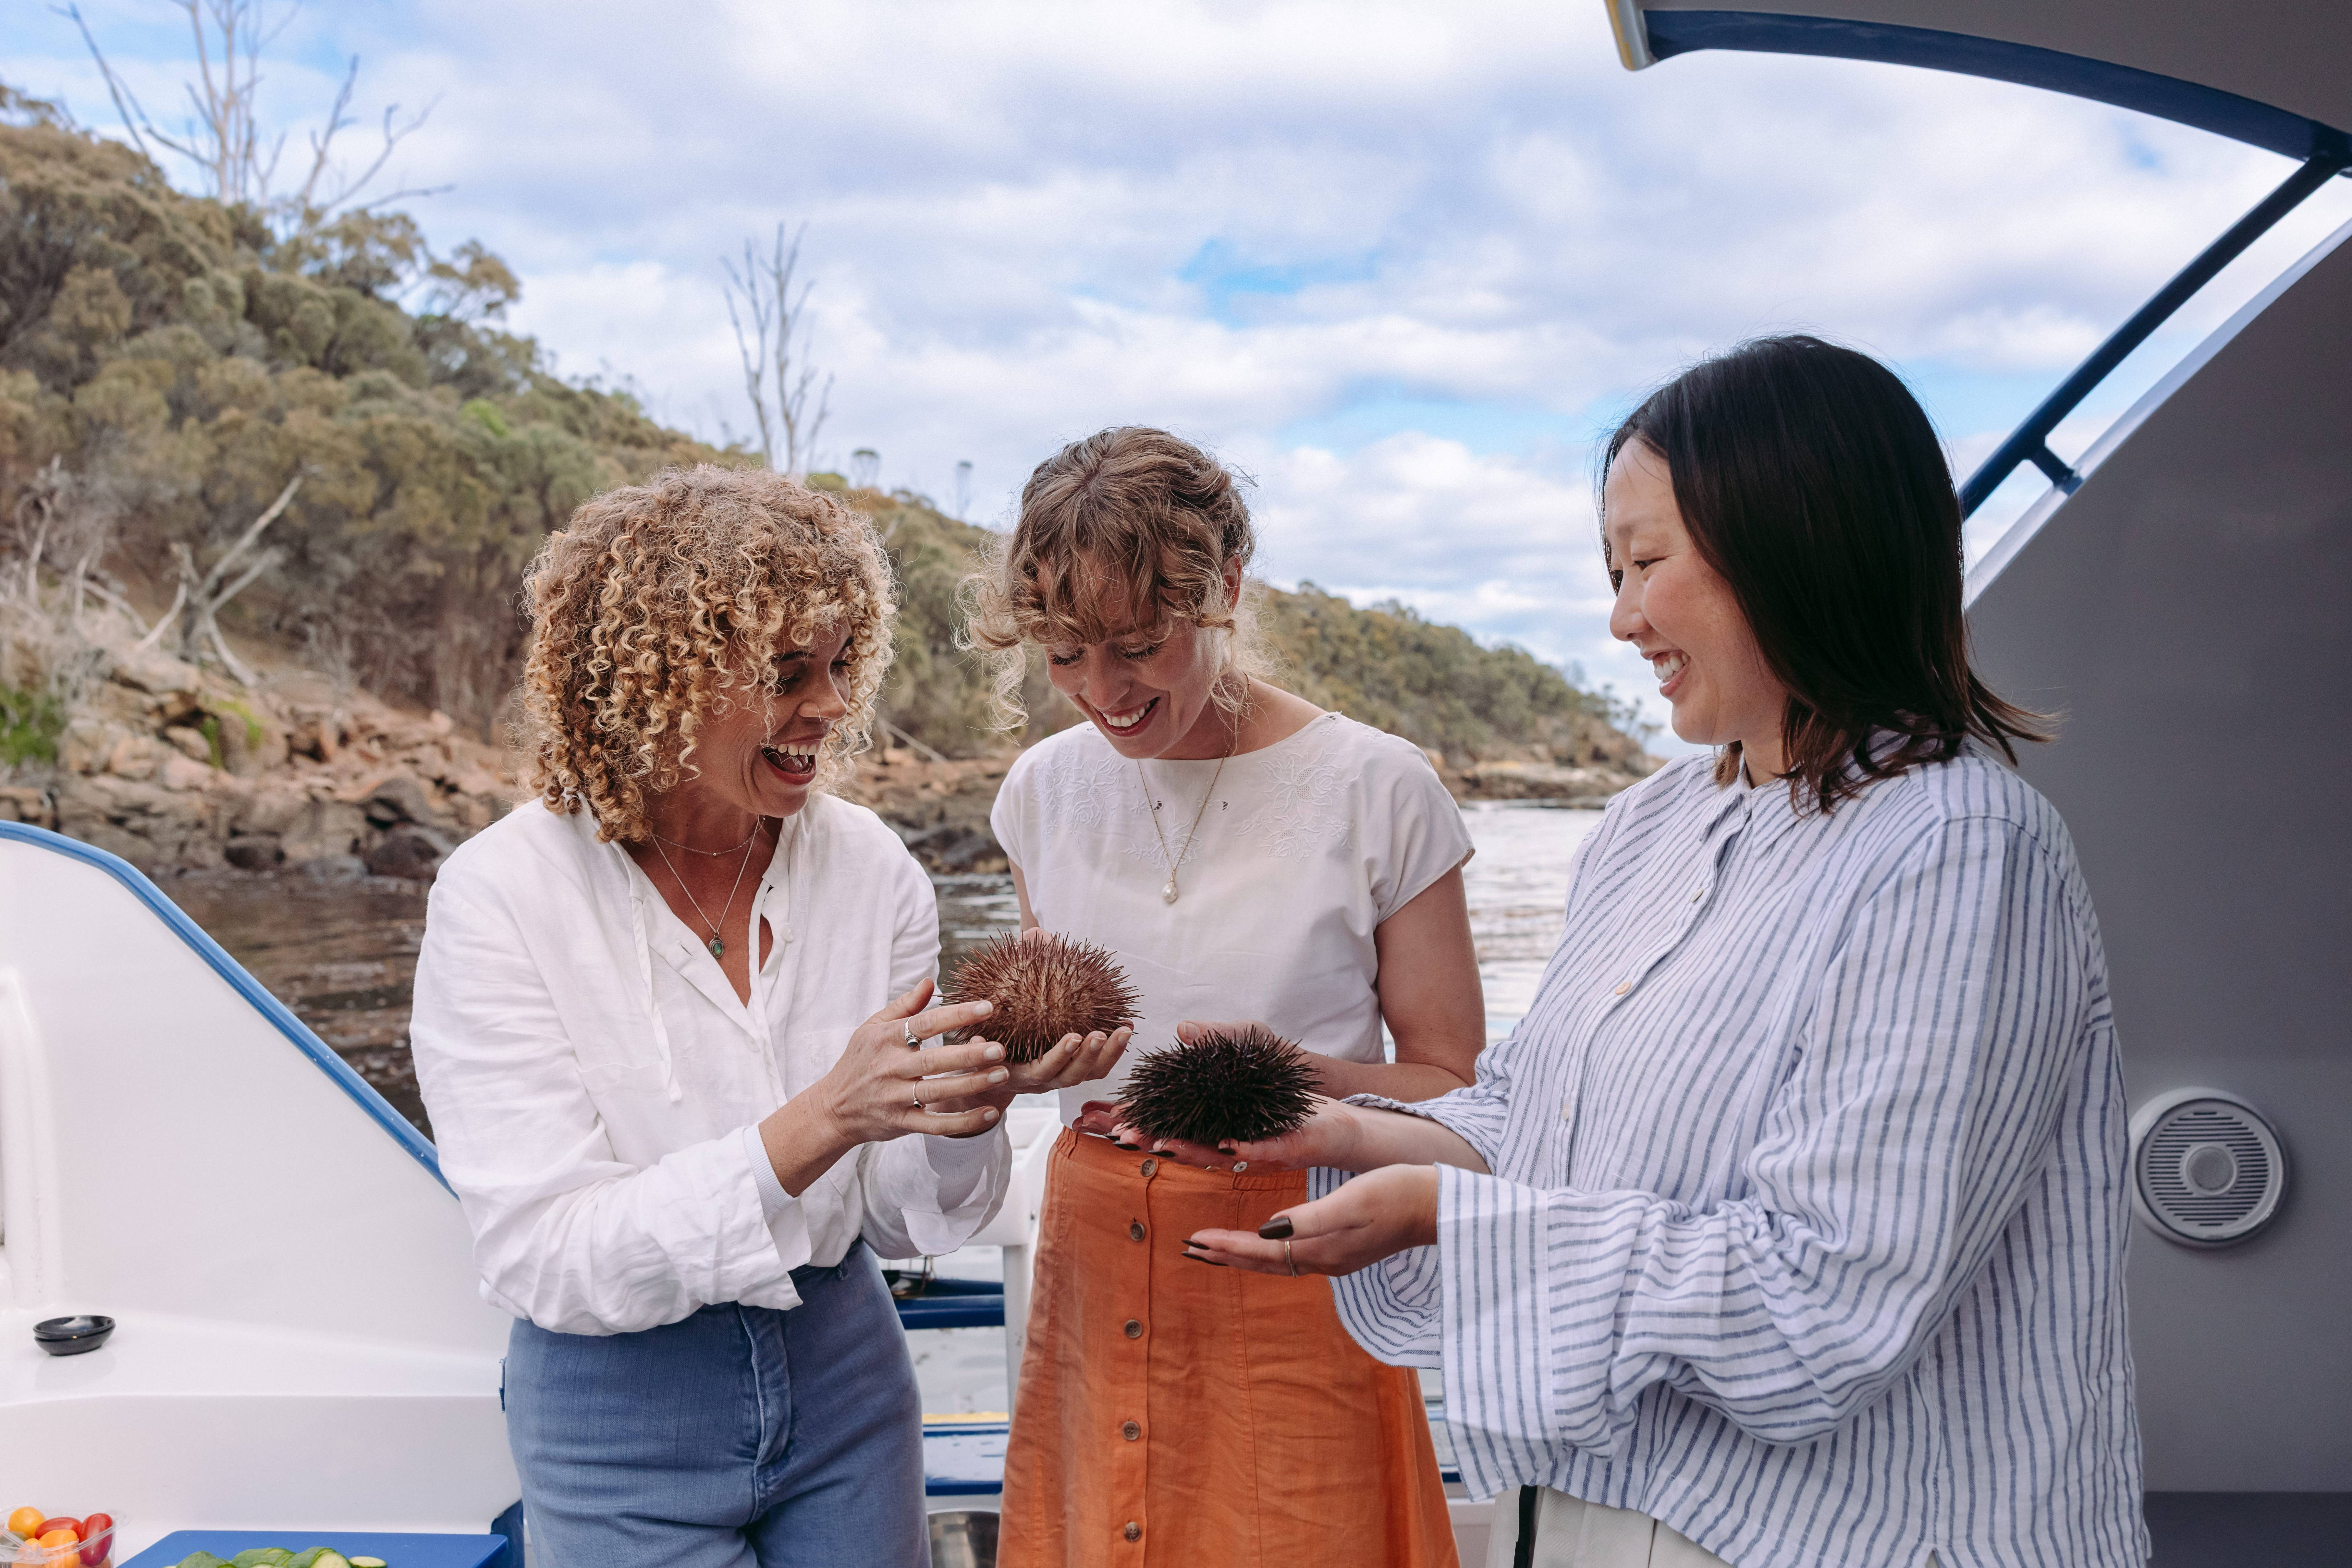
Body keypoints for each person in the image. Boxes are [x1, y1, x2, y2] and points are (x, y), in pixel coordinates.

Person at [1182, 338, 2146, 1568]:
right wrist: (1334, 1122)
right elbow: (1537, 1109)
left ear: (1795, 543)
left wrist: (1453, 1218)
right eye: (1611, 568)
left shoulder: (1955, 847)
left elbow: (1827, 1300)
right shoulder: (1648, 823)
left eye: (1645, 562)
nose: (1620, 615)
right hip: (1590, 1508)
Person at [410, 466, 1116, 1568]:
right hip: (614, 1413)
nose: (832, 706)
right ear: (661, 679)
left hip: (848, 1374)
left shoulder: (873, 869)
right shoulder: (500, 898)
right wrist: (823, 1118)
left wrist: (967, 1112)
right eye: (789, 672)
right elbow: (543, 1254)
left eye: (841, 665)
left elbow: (896, 1219)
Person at [962, 426, 1480, 1567]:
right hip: (1095, 1252)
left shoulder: (1375, 785)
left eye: (1138, 645)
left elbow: (1450, 1083)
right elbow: (1050, 1023)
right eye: (1062, 654)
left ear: (1226, 591)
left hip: (1298, 1253)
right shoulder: (1040, 791)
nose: (1101, 692)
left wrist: (1288, 1078)